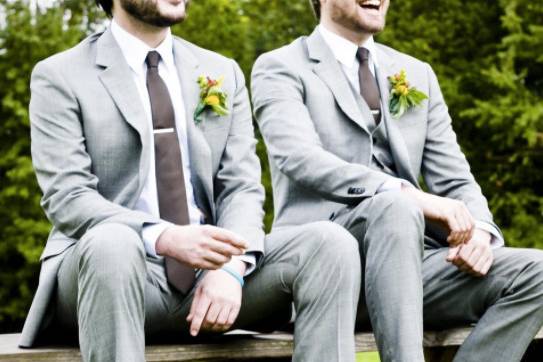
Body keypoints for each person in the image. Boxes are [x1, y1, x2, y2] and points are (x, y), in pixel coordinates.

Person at [19, 1, 362, 361]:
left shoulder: (222, 72)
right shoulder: (59, 75)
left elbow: (241, 187)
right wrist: (165, 237)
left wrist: (231, 266)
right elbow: (68, 197)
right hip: (112, 276)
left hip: (212, 283)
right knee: (113, 242)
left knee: (329, 243)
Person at [251, 0, 543, 361]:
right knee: (395, 204)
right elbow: (300, 157)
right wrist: (406, 193)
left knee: (537, 274)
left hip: (418, 266)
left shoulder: (416, 73)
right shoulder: (280, 67)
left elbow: (455, 178)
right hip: (328, 269)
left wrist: (480, 230)